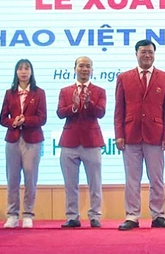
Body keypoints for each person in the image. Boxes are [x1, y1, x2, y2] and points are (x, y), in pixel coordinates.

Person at [114, 39, 165, 231]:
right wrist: (119, 134)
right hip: (130, 134)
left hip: (156, 136)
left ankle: (159, 215)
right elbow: (119, 109)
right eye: (143, 52)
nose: (147, 55)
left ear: (154, 54)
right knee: (132, 179)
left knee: (156, 178)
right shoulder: (124, 78)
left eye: (150, 52)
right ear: (136, 54)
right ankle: (132, 216)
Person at [57, 56, 107, 229]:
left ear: (92, 70)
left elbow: (100, 112)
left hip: (92, 142)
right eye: (81, 66)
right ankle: (72, 216)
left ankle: (95, 216)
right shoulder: (65, 91)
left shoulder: (99, 91)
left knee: (95, 182)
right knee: (70, 183)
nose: (84, 69)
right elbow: (60, 113)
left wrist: (89, 103)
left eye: (88, 66)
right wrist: (73, 107)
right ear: (75, 68)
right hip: (69, 142)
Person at [0, 59, 47, 229]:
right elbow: (2, 118)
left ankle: (28, 214)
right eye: (20, 68)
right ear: (16, 72)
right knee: (12, 178)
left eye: (27, 68)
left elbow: (42, 118)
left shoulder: (39, 93)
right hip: (12, 139)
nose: (23, 72)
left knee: (30, 177)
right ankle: (12, 214)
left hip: (32, 140)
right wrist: (13, 122)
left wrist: (25, 120)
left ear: (31, 72)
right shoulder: (9, 93)